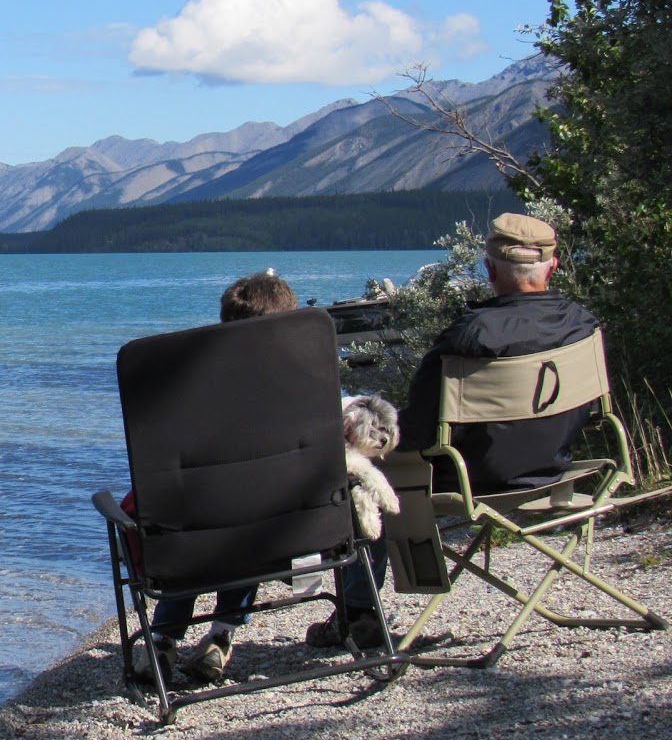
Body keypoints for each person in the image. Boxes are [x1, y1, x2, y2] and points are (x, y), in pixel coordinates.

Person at [306, 211, 599, 649]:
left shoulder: (467, 338)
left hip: (471, 479)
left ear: (489, 268)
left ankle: (359, 614)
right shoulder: (582, 324)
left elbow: (419, 433)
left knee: (356, 481)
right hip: (557, 467)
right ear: (553, 266)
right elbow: (591, 409)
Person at [129, 270, 300, 684]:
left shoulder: (193, 390)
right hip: (281, 534)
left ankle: (165, 639)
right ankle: (220, 638)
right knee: (248, 515)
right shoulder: (306, 385)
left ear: (225, 326)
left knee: (185, 516)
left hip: (199, 534)